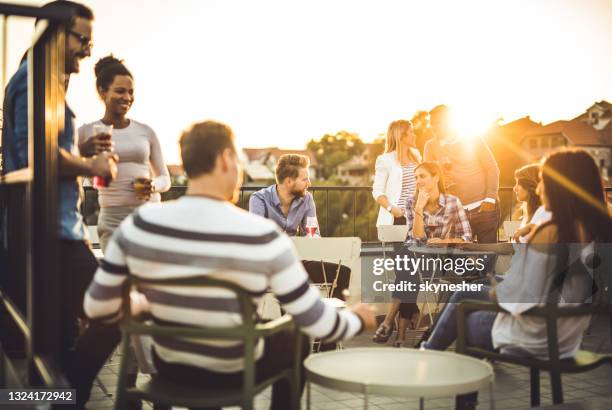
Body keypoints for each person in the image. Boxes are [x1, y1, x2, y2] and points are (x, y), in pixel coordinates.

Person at [83, 120, 377, 410]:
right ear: (225, 159)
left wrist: (142, 303)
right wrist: (358, 319)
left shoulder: (140, 224)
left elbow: (96, 308)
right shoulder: (263, 235)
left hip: (171, 368)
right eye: (237, 159)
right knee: (293, 337)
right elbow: (318, 322)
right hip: (235, 371)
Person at [419, 148, 612, 410]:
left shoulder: (551, 233)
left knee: (466, 314)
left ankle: (436, 372)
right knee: (468, 294)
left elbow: (515, 297)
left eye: (543, 180)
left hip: (534, 335)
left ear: (560, 186)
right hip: (567, 336)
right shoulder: (598, 231)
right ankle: (428, 355)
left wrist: (496, 287)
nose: (540, 188)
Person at [1, 2, 119, 408]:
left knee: (55, 343)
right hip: (48, 231)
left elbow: (48, 149)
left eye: (89, 41)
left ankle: (61, 392)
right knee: (117, 308)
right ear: (52, 33)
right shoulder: (33, 80)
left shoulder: (45, 82)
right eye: (81, 39)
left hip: (59, 228)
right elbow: (38, 157)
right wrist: (93, 163)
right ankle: (68, 389)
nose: (87, 51)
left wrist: (78, 148)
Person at [78, 55, 171, 252]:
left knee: (146, 279)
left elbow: (165, 179)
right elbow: (67, 165)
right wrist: (83, 152)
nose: (127, 98)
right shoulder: (87, 132)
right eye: (120, 91)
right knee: (118, 279)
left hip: (148, 216)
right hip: (112, 219)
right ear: (102, 92)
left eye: (131, 92)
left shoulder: (146, 131)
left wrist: (153, 185)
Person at [371, 120, 422, 346]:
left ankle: (391, 325)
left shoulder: (417, 155)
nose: (414, 135)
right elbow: (377, 192)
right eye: (410, 132)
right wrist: (394, 208)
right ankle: (397, 331)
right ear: (401, 135)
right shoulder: (385, 160)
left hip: (418, 222)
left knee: (411, 276)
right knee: (407, 274)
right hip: (397, 221)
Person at [424, 105, 500, 243]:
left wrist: (490, 199)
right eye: (431, 124)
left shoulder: (473, 138)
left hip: (483, 207)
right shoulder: (430, 146)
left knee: (487, 256)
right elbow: (427, 178)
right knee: (456, 258)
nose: (433, 127)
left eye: (437, 123)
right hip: (455, 212)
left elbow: (492, 168)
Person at [249, 154, 318, 236]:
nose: (309, 184)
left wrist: (312, 237)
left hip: (294, 248)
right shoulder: (259, 199)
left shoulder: (307, 198)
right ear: (289, 182)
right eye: (304, 179)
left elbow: (313, 234)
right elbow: (257, 234)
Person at [510, 164, 551, 243]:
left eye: (518, 183)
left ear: (530, 185)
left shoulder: (543, 212)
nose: (515, 188)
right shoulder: (531, 213)